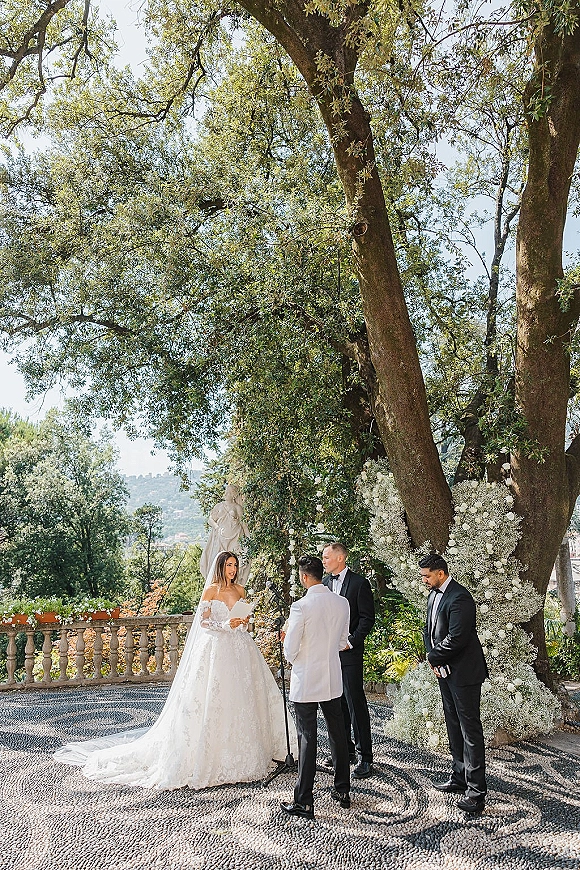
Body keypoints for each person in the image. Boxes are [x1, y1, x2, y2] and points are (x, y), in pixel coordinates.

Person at [54, 551, 296, 790]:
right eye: (229, 565)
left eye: (235, 565)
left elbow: (245, 618)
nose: (232, 570)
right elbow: (203, 622)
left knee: (244, 697)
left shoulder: (240, 590)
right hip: (217, 649)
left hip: (241, 648)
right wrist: (225, 624)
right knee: (215, 697)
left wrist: (243, 621)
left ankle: (248, 750)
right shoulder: (212, 590)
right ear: (220, 566)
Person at [281, 554, 351, 820]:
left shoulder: (301, 606)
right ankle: (342, 790)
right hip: (332, 676)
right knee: (338, 734)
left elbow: (290, 650)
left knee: (307, 737)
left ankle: (304, 801)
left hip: (307, 679)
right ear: (321, 574)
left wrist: (295, 650)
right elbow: (342, 641)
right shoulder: (341, 602)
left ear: (303, 577)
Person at [419, 552, 489, 814]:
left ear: (441, 573)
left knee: (470, 730)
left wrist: (432, 657)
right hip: (445, 671)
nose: (424, 580)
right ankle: (459, 777)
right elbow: (428, 631)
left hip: (464, 674)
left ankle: (476, 792)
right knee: (453, 725)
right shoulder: (433, 595)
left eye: (427, 576)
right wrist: (434, 660)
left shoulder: (460, 596)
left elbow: (458, 637)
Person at [322, 542, 375, 779]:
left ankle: (366, 757)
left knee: (355, 703)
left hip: (350, 653)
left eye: (327, 557)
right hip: (328, 655)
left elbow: (367, 618)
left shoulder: (359, 584)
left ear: (341, 558)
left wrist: (352, 641)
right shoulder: (324, 584)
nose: (323, 560)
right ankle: (345, 751)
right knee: (336, 703)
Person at [200, 484, 250, 584]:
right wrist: (217, 527)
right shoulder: (219, 506)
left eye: (229, 492)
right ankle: (216, 585)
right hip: (220, 539)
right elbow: (210, 520)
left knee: (234, 562)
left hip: (235, 538)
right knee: (218, 562)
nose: (226, 494)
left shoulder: (237, 508)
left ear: (234, 495)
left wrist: (249, 541)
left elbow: (244, 525)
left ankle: (232, 586)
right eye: (226, 492)